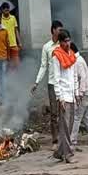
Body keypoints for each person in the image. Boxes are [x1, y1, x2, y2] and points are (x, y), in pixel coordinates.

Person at [32, 20, 63, 150]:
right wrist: (36, 82)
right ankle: (55, 141)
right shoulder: (47, 47)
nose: (60, 32)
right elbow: (43, 66)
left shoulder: (64, 45)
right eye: (59, 30)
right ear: (53, 30)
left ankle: (65, 139)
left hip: (64, 82)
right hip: (52, 83)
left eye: (62, 30)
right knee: (54, 113)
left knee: (64, 112)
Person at [51, 30, 78, 163]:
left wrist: (76, 93)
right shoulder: (56, 56)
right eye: (65, 41)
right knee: (65, 127)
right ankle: (68, 154)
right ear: (60, 42)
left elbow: (73, 75)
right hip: (63, 96)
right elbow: (56, 79)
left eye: (69, 41)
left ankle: (60, 152)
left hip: (72, 94)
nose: (67, 43)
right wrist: (59, 97)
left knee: (70, 124)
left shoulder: (72, 55)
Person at [0, 2, 21, 68]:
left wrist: (19, 42)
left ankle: (16, 76)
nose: (6, 11)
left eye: (8, 10)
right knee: (7, 63)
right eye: (5, 10)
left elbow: (16, 30)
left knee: (16, 63)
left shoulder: (13, 18)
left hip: (14, 44)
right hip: (4, 46)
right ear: (2, 10)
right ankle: (8, 77)